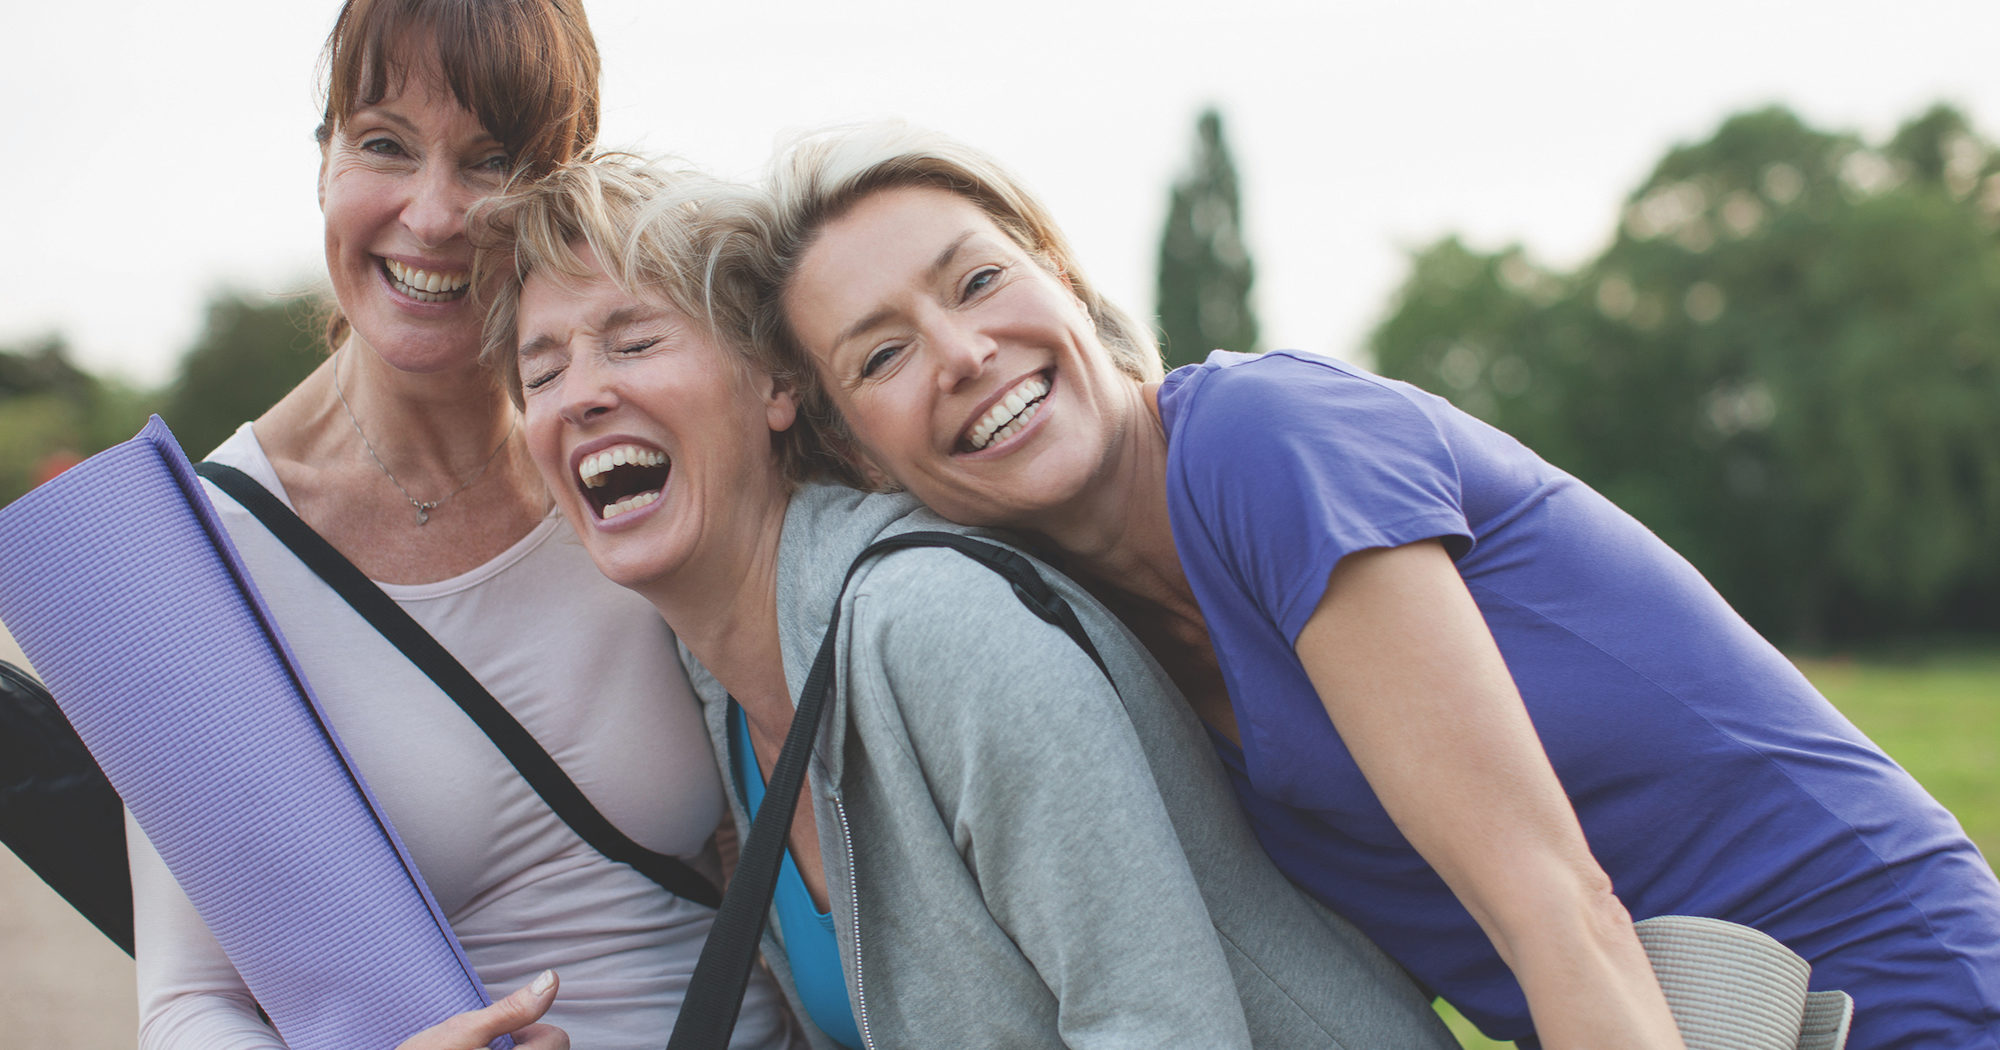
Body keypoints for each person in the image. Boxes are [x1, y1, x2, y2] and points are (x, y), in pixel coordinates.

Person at [743, 122, 2000, 1050]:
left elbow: (1558, 908)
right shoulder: (1074, 634)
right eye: (884, 352)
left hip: (1894, 996)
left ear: (1063, 282)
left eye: (978, 280)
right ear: (853, 448)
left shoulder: (1265, 444)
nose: (964, 354)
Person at [474, 151, 1461, 1049]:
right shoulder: (724, 691)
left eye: (631, 341)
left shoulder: (935, 627)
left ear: (775, 384)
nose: (579, 397)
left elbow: (1160, 1028)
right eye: (543, 371)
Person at [126, 3, 796, 1048]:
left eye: (490, 161)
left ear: (560, 185)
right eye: (384, 144)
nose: (433, 215)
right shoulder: (195, 555)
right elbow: (189, 1004)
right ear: (323, 163)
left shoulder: (635, 459)